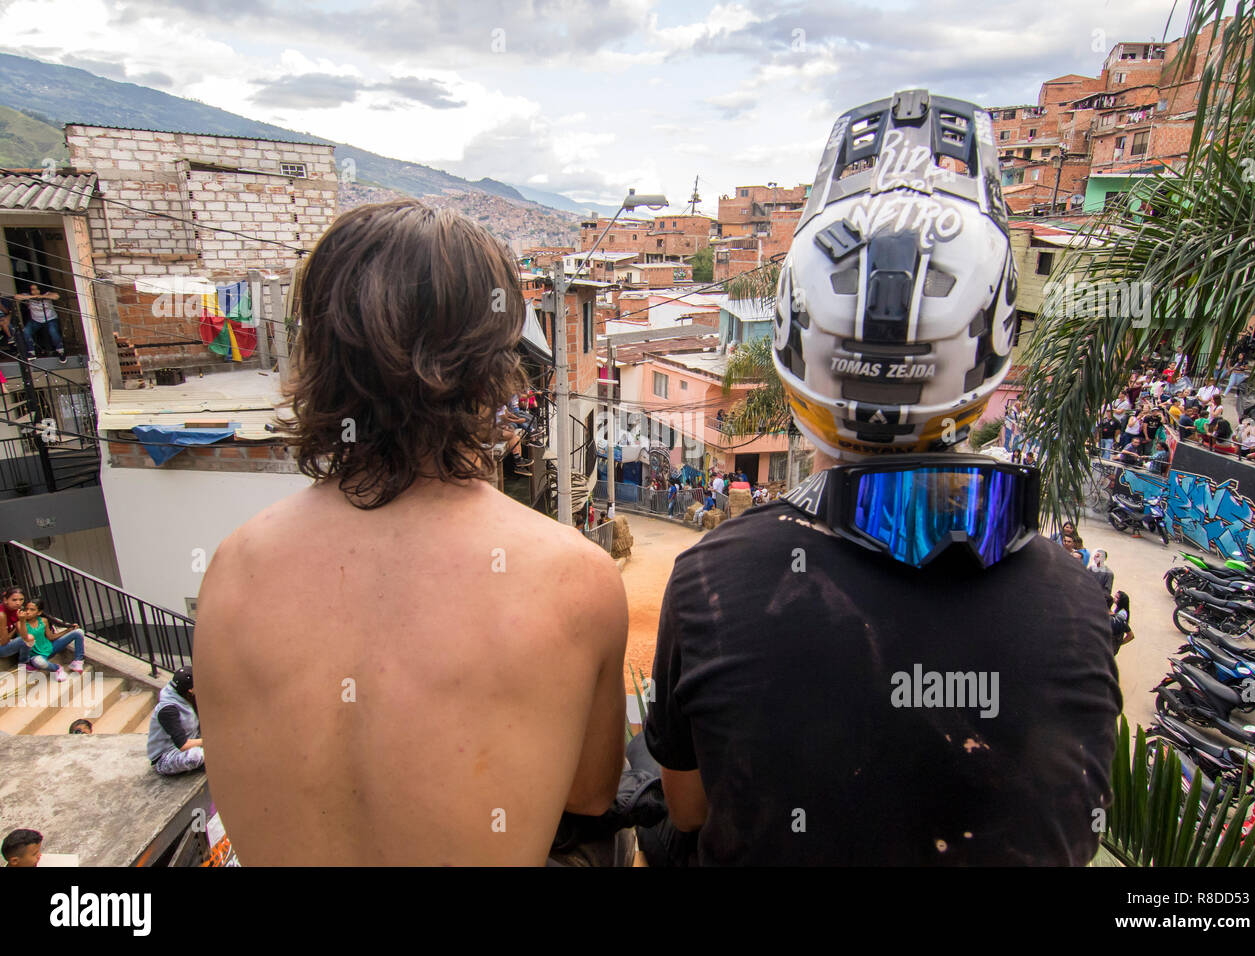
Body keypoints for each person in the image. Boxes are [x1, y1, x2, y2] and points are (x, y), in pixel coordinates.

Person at [643, 91, 1120, 865]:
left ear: (794, 357)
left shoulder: (713, 581)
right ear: (994, 352)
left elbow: (687, 806)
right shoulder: (1075, 599)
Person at [194, 201, 628, 865]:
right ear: (493, 367)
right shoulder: (575, 578)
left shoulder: (233, 566)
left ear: (319, 358)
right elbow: (592, 796)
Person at [147, 666, 204, 775]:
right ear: (190, 690)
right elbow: (183, 745)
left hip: (192, 740)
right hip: (167, 756)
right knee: (198, 756)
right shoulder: (168, 710)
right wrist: (210, 742)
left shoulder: (186, 696)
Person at [19, 598, 85, 681]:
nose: (28, 612)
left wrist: (67, 631)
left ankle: (78, 661)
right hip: (36, 655)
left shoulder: (44, 621)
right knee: (39, 663)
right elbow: (24, 637)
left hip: (50, 648)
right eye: (26, 609)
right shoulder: (20, 623)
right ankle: (57, 669)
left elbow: (50, 637)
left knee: (78, 632)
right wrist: (22, 620)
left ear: (39, 612)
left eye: (32, 610)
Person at [13, 283, 66, 363]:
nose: (34, 291)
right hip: (36, 320)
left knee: (53, 331)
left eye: (36, 289)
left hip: (50, 319)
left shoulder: (47, 293)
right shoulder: (28, 295)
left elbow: (56, 296)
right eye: (32, 289)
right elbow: (16, 297)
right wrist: (32, 297)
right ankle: (31, 352)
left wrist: (42, 297)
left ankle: (60, 351)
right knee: (26, 331)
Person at [0, 586, 33, 668]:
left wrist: (22, 621)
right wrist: (14, 631)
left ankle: (24, 662)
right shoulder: (1, 614)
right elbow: (4, 642)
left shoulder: (17, 611)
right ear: (5, 600)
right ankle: (24, 662)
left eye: (21, 599)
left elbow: (24, 636)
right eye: (14, 600)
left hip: (6, 641)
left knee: (29, 638)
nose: (18, 603)